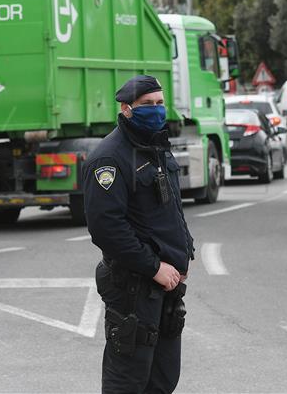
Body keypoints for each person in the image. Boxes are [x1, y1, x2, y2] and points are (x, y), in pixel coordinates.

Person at [83, 75, 195, 394]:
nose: (156, 110)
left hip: (167, 285)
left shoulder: (154, 148)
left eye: (160, 103)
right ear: (126, 109)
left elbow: (170, 208)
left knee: (162, 379)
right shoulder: (110, 159)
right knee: (128, 380)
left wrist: (184, 251)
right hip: (133, 284)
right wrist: (155, 267)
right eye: (147, 105)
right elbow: (107, 229)